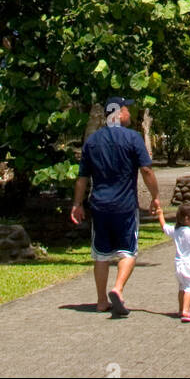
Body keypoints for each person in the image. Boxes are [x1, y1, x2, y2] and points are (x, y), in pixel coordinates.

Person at [71, 96, 161, 316]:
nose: (130, 113)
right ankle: (118, 288)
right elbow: (147, 170)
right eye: (127, 109)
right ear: (119, 113)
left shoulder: (93, 141)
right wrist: (155, 196)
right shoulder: (132, 138)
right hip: (125, 206)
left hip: (99, 205)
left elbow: (82, 177)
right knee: (128, 251)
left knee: (101, 254)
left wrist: (77, 204)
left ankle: (102, 301)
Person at [156, 201, 190, 322]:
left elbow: (164, 227)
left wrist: (160, 214)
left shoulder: (176, 231)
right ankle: (186, 311)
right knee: (189, 287)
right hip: (189, 264)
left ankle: (181, 308)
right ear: (188, 219)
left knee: (182, 287)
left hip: (178, 263)